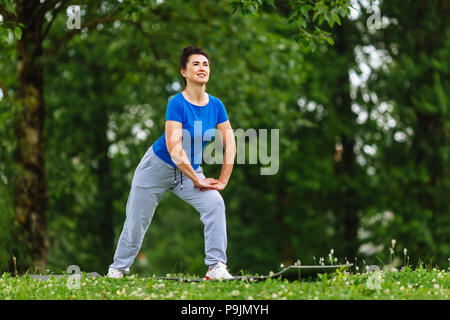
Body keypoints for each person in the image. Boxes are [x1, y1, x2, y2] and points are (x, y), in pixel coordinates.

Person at [107, 46, 236, 280]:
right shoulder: (176, 103)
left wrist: (222, 181)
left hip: (189, 172)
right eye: (195, 64)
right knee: (137, 221)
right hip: (156, 168)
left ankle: (216, 267)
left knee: (215, 203)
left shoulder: (216, 105)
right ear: (184, 72)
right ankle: (118, 268)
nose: (202, 68)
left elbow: (231, 143)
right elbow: (175, 149)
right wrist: (198, 179)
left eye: (205, 64)